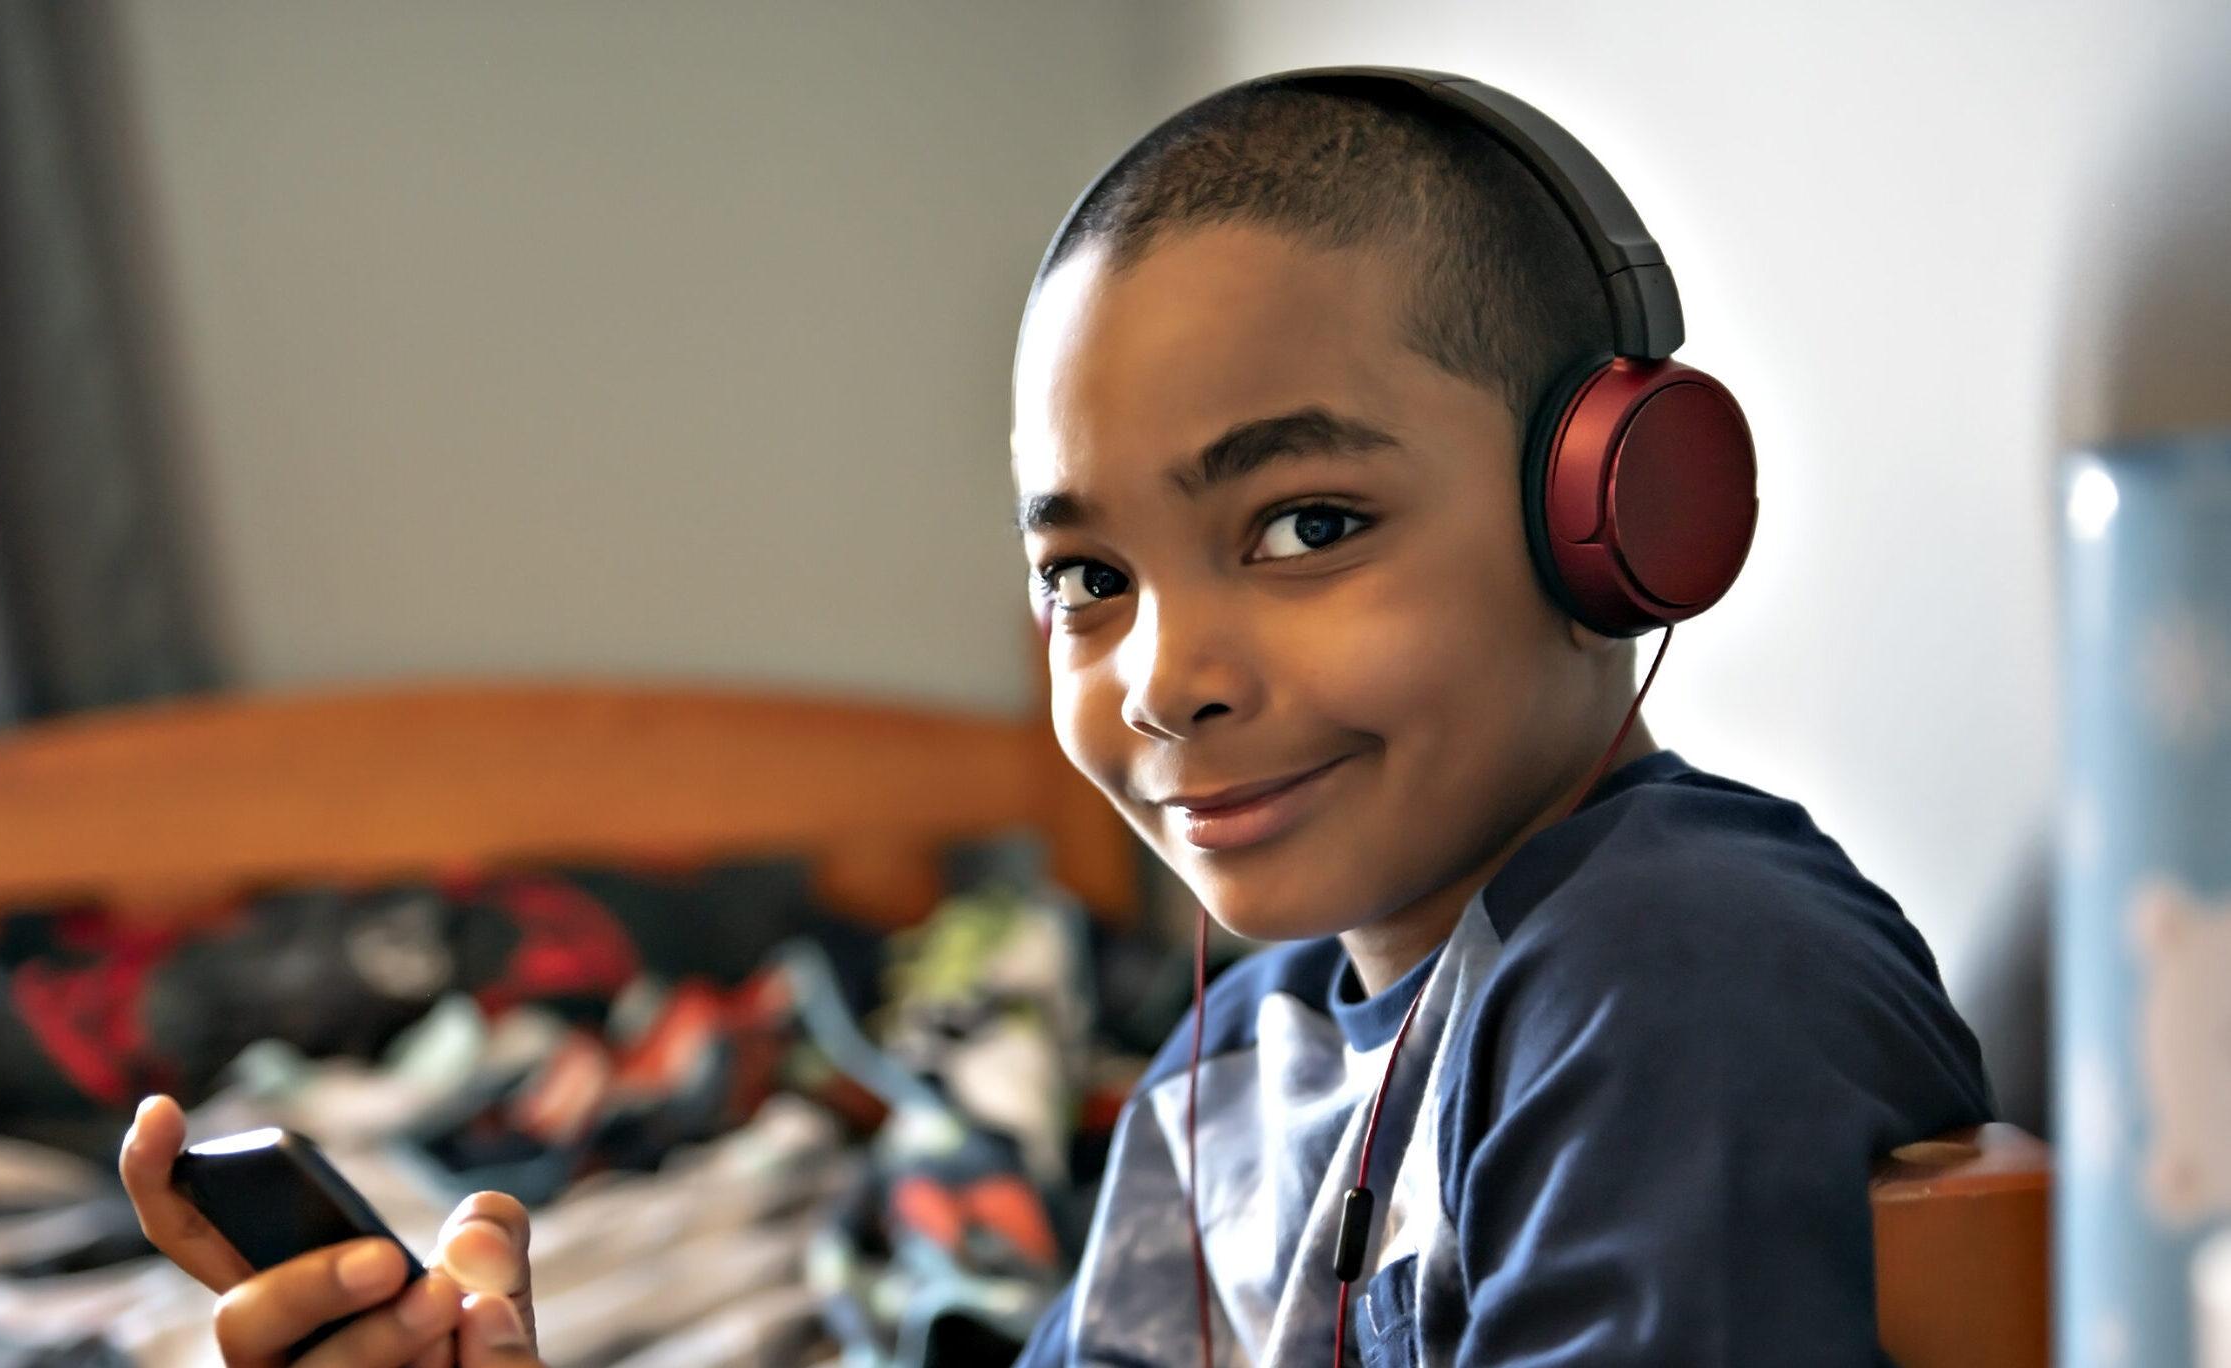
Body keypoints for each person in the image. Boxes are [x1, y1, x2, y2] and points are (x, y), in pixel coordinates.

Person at [120, 68, 1991, 1368]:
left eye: (1306, 526)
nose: (1164, 673)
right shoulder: (1225, 1073)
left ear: (1615, 518)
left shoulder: (1667, 978)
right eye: (1088, 578)